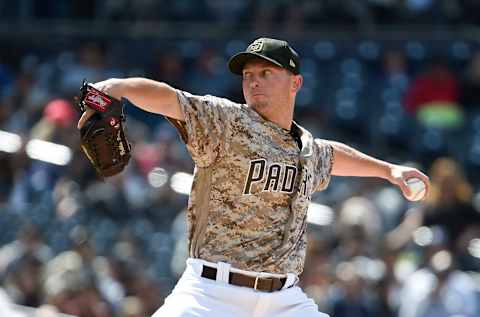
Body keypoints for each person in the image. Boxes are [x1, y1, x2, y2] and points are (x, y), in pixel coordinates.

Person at [78, 38, 430, 317]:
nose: (254, 82)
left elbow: (332, 154)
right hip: (212, 293)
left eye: (266, 73)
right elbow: (172, 99)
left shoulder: (305, 147)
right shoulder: (226, 121)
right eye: (248, 75)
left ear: (296, 83)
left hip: (284, 300)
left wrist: (388, 171)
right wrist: (117, 86)